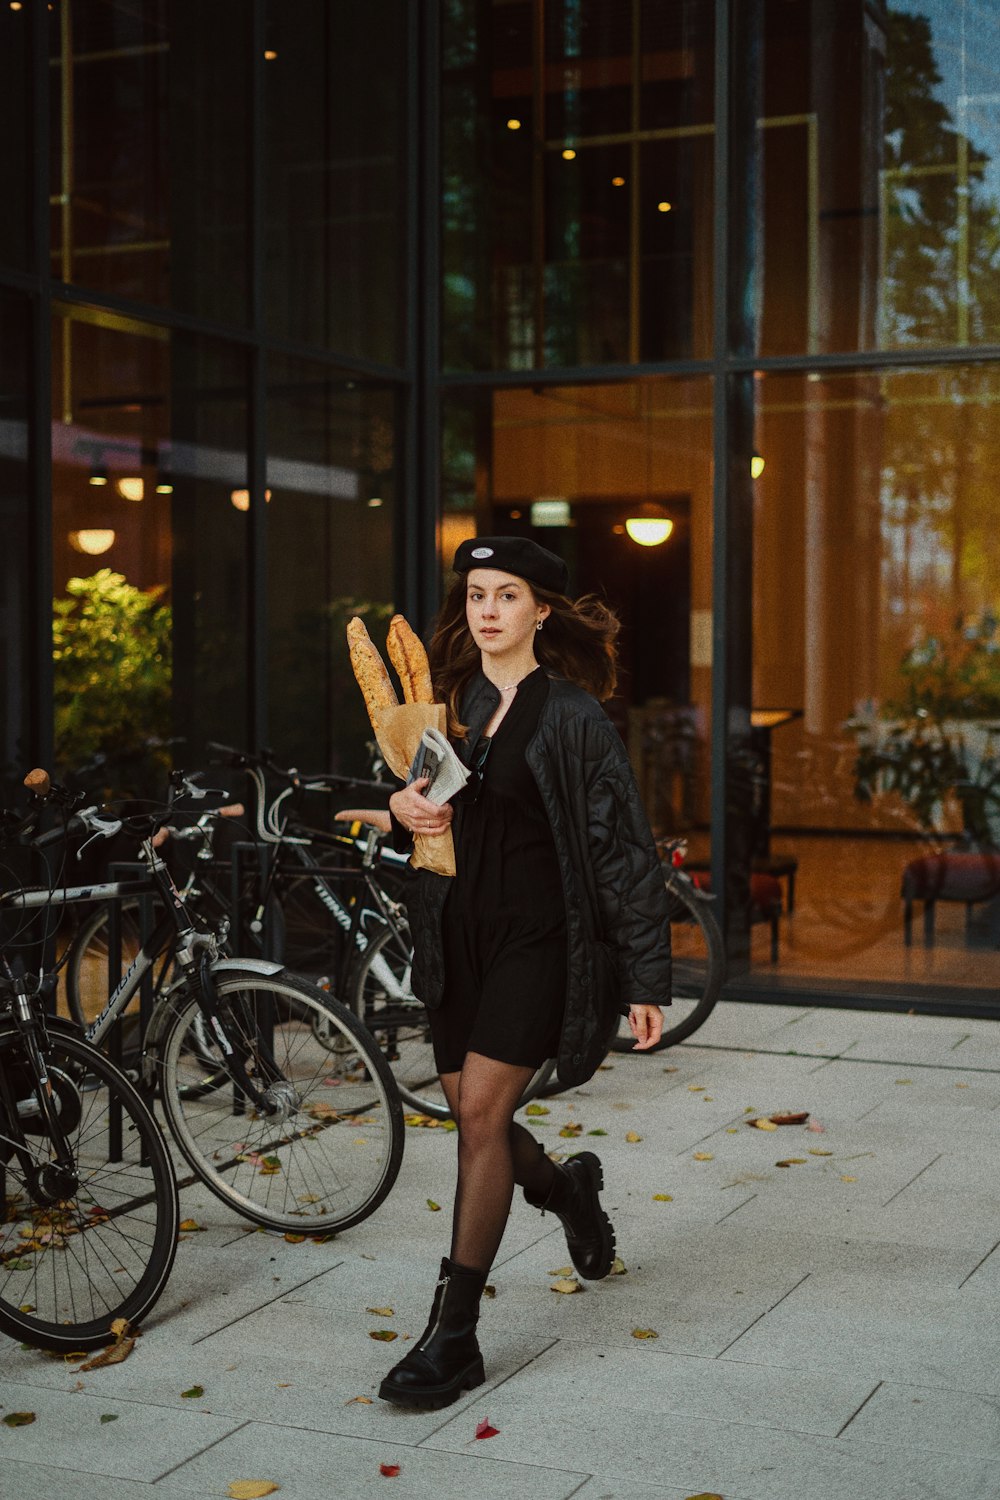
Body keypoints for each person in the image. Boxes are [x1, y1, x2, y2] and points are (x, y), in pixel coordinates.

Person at [378, 535, 672, 1411]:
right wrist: (401, 806)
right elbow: (418, 810)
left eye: (507, 594)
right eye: (476, 594)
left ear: (541, 609)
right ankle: (569, 1191)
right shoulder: (450, 702)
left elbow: (623, 850)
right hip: (458, 934)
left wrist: (647, 976)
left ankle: (454, 1336)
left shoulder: (573, 715)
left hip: (541, 939)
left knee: (477, 1112)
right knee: (484, 1124)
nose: (488, 610)